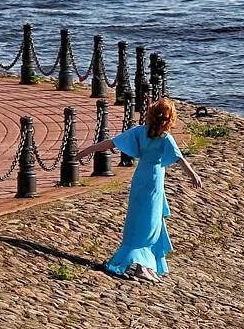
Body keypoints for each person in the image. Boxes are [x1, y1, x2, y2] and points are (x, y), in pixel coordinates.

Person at [76, 97, 202, 281]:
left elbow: (112, 142)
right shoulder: (165, 138)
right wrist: (193, 175)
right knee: (149, 224)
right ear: (169, 120)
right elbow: (179, 158)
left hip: (141, 179)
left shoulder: (140, 132)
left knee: (140, 220)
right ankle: (142, 266)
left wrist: (86, 150)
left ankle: (146, 264)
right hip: (152, 182)